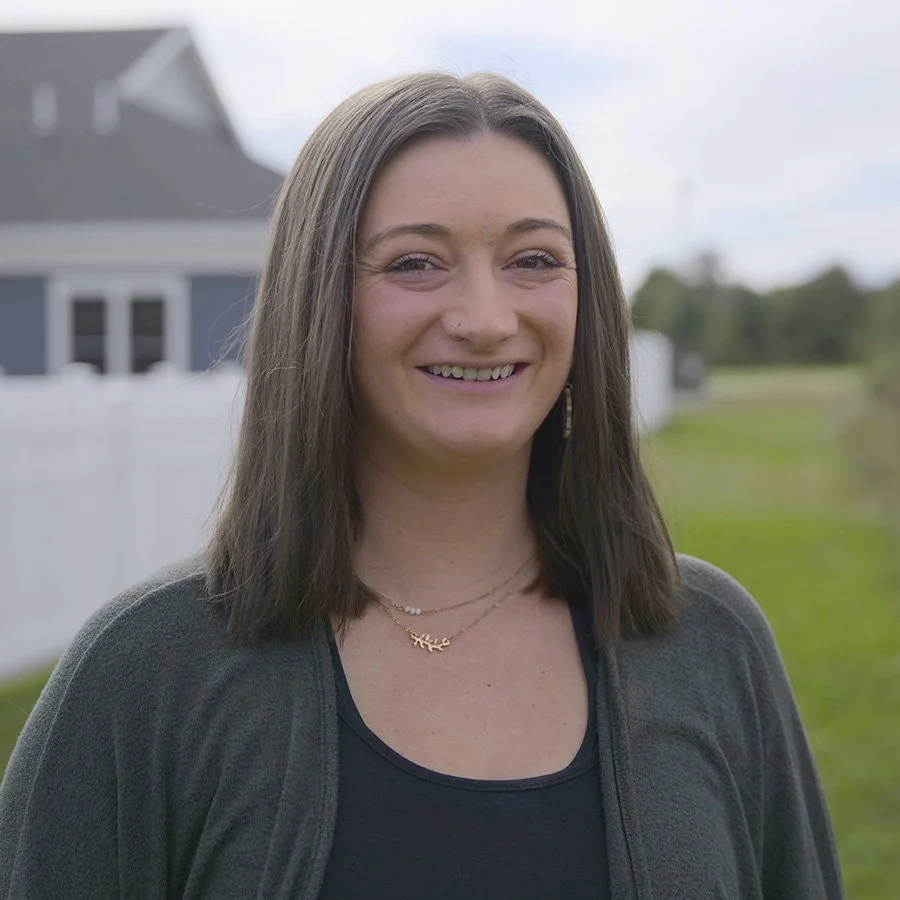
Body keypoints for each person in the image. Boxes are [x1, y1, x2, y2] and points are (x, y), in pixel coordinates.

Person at [0, 72, 842, 899]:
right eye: (416, 263)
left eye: (533, 259)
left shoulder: (712, 646)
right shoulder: (143, 680)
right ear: (320, 297)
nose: (484, 319)